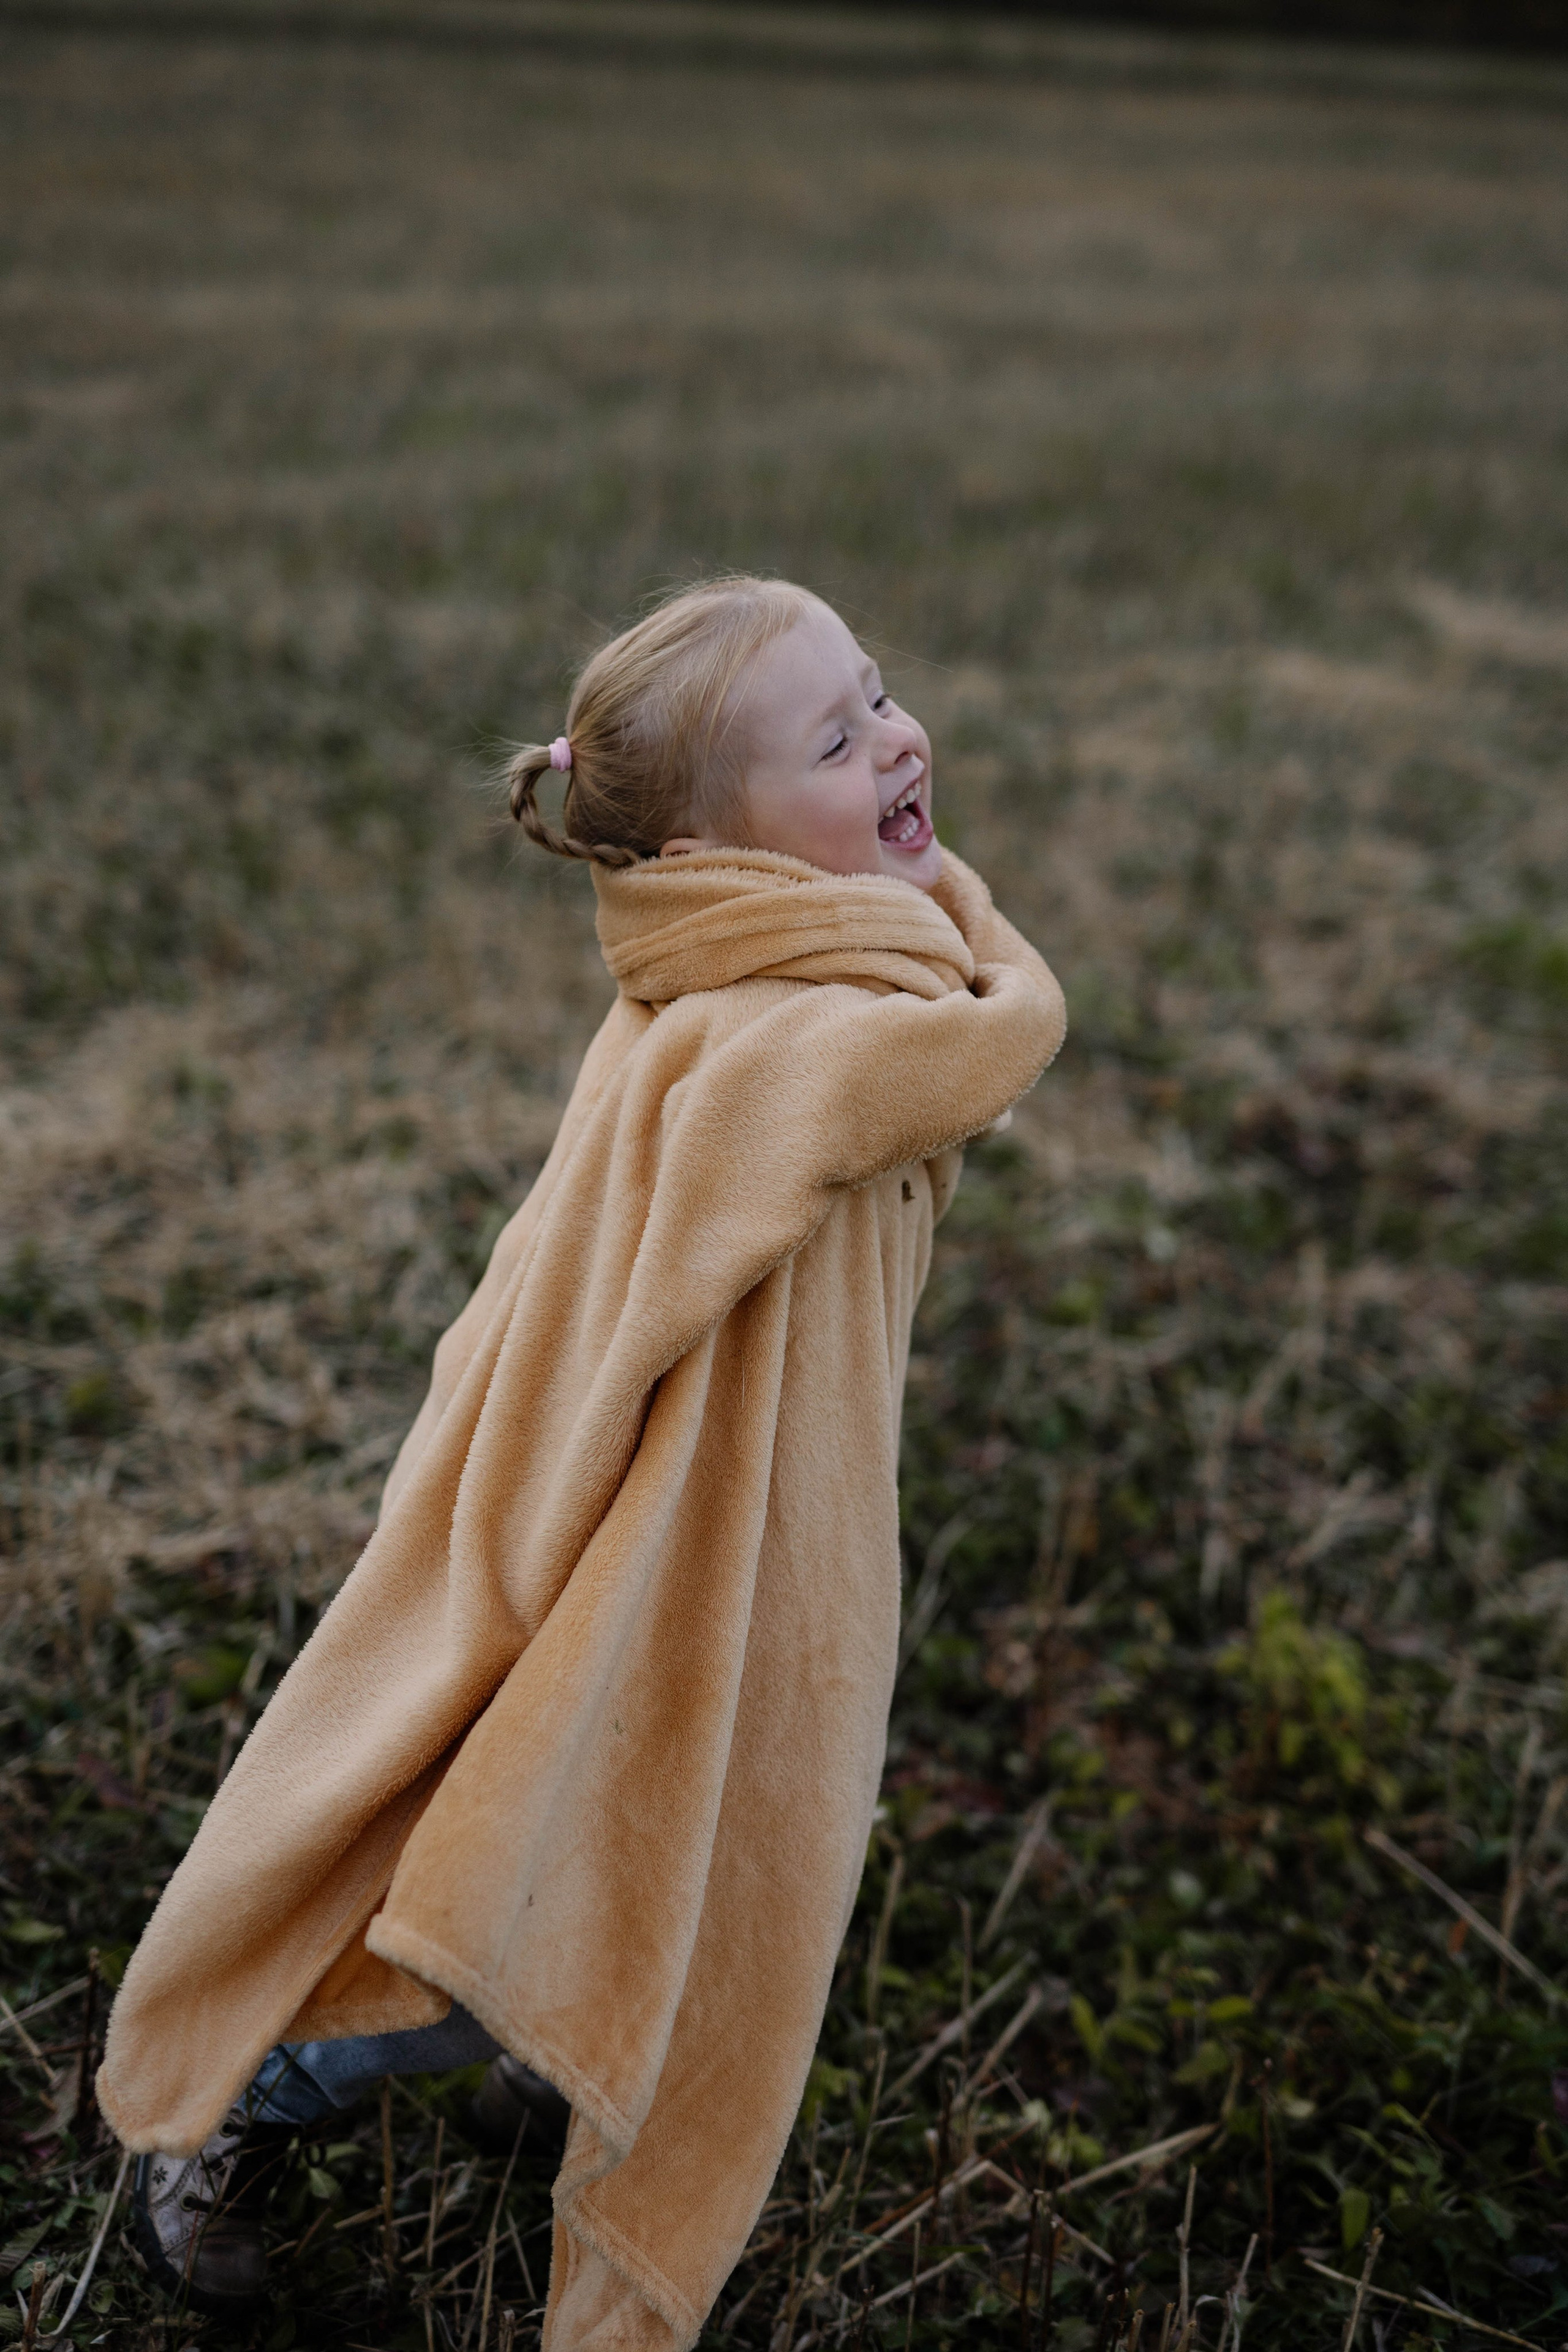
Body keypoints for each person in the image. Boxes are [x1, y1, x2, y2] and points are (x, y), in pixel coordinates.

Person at [99, 576, 1066, 2345]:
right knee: (515, 1862)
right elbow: (980, 1056)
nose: (895, 741)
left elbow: (955, 1022)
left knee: (708, 1833)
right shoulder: (784, 1047)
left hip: (770, 1530)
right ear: (711, 855)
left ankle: (557, 2065)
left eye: (880, 695)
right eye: (834, 740)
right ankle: (255, 2102)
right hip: (646, 1544)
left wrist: (924, 888)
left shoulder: (796, 967)